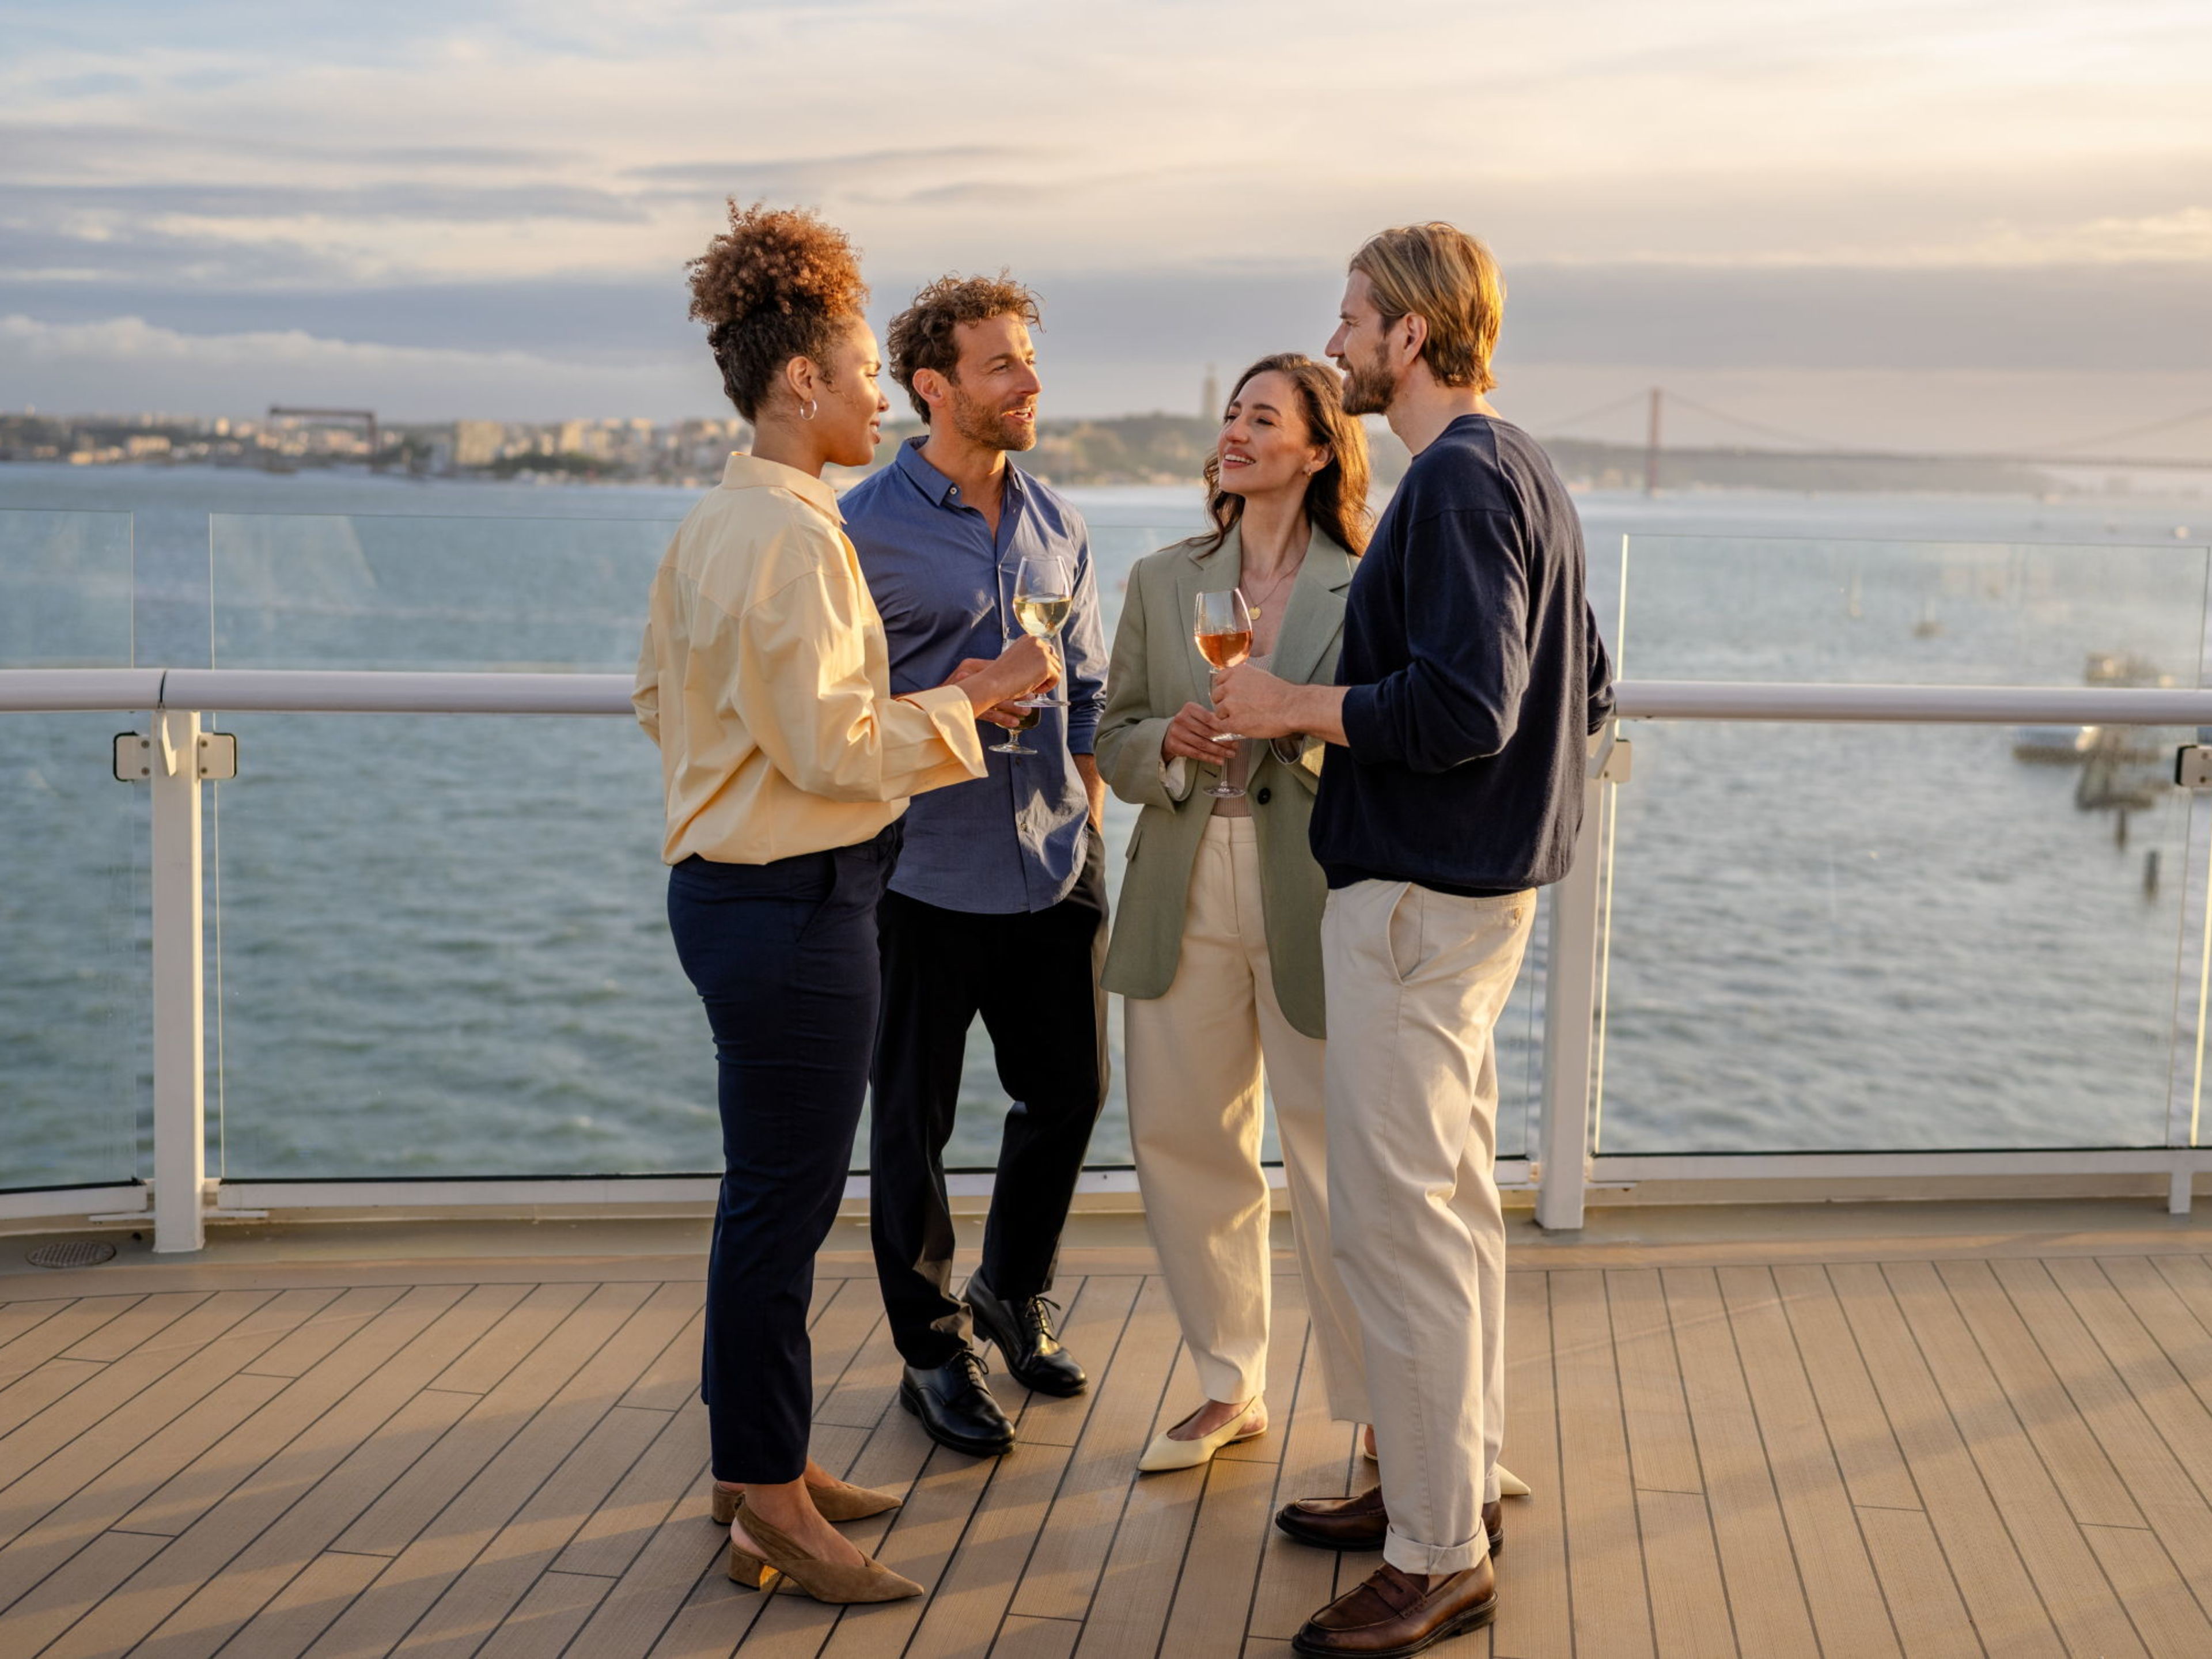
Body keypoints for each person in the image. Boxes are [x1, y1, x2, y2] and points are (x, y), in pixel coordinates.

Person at [632, 204, 1057, 1605]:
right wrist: (973, 698)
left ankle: (759, 1464)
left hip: (735, 891)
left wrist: (743, 773)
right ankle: (770, 1500)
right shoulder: (797, 539)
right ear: (801, 380)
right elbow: (830, 747)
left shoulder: (720, 520)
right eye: (869, 369)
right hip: (798, 905)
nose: (881, 392)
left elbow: (662, 700)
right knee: (781, 1208)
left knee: (766, 1201)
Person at [1213, 223, 1615, 1657]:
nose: (1336, 344)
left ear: (1419, 334)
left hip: (1415, 911)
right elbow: (1590, 687)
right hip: (1479, 906)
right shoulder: (1527, 470)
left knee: (1401, 1230)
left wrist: (1290, 710)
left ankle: (1436, 1552)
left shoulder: (1452, 482)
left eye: (1354, 320)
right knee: (1446, 1213)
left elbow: (1466, 709)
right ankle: (1451, 1486)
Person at [839, 274, 1111, 1457]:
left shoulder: (1060, 522)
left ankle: (1011, 1287)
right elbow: (835, 709)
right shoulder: (858, 526)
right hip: (919, 872)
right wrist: (956, 700)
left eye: (1031, 360)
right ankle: (930, 1351)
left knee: (1069, 1094)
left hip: (1054, 861)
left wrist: (1086, 819)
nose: (1030, 382)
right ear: (934, 388)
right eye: (1002, 365)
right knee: (910, 1121)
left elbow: (1089, 695)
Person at [1095, 353, 1372, 1473]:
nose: (1236, 432)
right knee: (1184, 1140)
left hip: (1309, 882)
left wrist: (1295, 724)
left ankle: (1376, 1413)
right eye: (1230, 415)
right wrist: (1162, 744)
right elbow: (1110, 730)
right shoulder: (1163, 579)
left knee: (1333, 1160)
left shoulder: (1369, 577)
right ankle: (1229, 1383)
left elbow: (1386, 733)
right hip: (1179, 872)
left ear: (1317, 448)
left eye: (1265, 417)